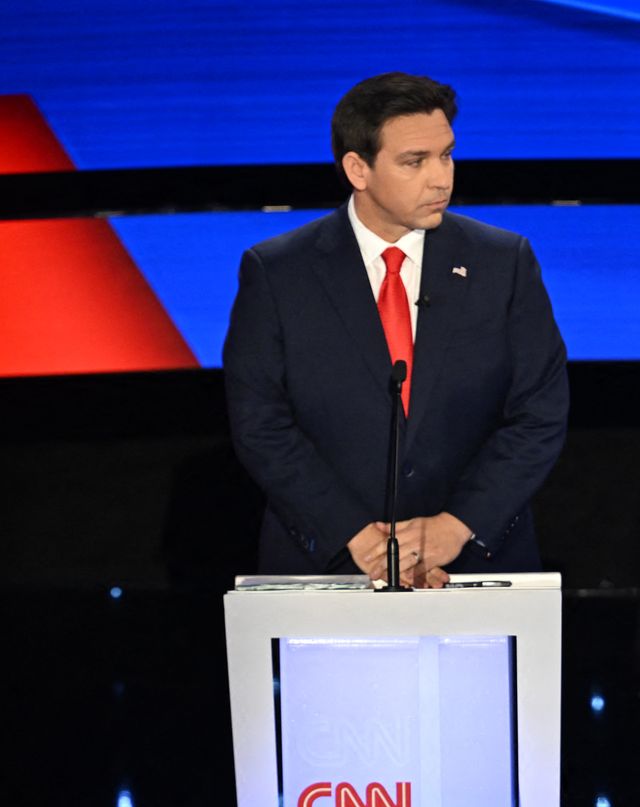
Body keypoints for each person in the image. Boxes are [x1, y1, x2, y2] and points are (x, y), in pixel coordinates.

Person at [224, 73, 569, 587]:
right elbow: (260, 424)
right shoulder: (278, 272)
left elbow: (539, 413)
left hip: (475, 565)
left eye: (446, 156)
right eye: (415, 161)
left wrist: (457, 526)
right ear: (357, 169)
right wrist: (355, 536)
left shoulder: (503, 263)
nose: (441, 179)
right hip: (329, 568)